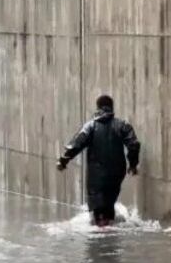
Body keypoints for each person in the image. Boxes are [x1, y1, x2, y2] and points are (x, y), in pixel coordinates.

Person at [56, 95, 141, 227]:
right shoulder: (122, 125)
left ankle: (100, 236)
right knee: (109, 202)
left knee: (97, 208)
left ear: (98, 108)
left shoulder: (90, 126)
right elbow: (133, 144)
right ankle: (109, 235)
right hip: (116, 173)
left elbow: (75, 144)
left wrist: (63, 161)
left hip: (96, 175)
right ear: (112, 108)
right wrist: (133, 165)